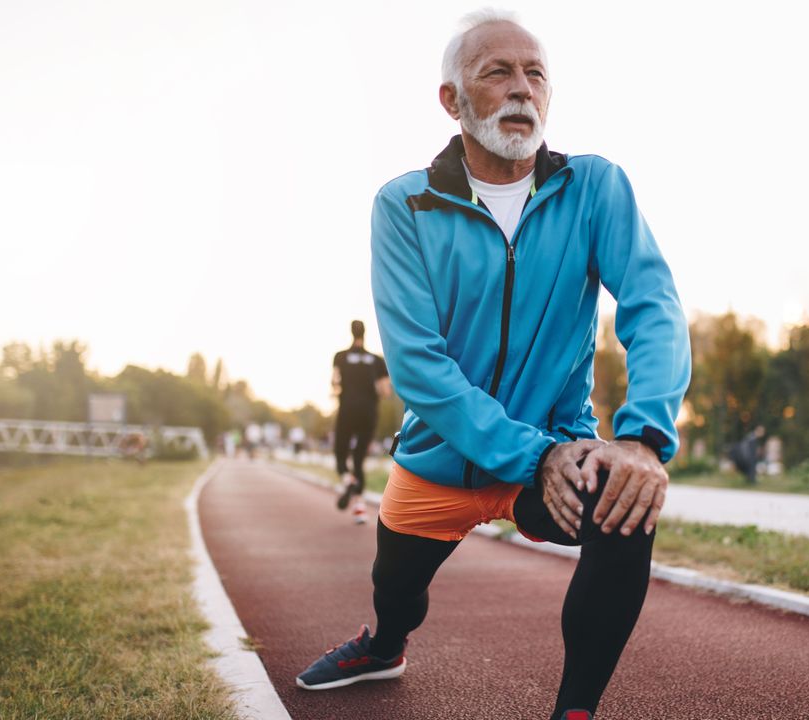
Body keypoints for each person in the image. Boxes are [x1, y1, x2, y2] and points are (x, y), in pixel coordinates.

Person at [296, 12, 690, 720]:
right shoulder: (404, 204)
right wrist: (531, 455)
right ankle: (384, 644)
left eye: (535, 73)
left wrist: (641, 438)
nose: (522, 90)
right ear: (451, 99)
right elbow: (419, 368)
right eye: (497, 73)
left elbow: (653, 307)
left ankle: (575, 711)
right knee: (397, 593)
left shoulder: (596, 188)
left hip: (559, 448)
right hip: (442, 459)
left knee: (626, 503)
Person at [332, 319, 391, 524]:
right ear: (365, 333)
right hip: (368, 412)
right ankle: (359, 508)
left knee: (341, 454)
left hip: (347, 409)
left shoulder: (340, 357)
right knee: (359, 459)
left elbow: (334, 382)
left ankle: (347, 480)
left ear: (351, 332)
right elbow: (385, 391)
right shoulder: (376, 360)